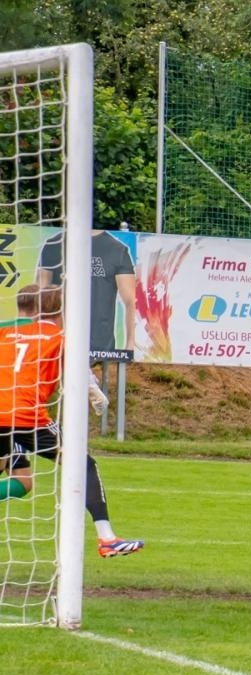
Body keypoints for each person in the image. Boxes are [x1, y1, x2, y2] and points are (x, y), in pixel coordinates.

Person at [0, 284, 142, 557]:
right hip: (27, 417)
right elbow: (81, 373)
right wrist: (95, 394)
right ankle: (107, 537)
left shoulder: (5, 330)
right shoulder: (59, 336)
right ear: (59, 311)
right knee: (83, 463)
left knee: (22, 480)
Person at [36, 229, 137, 359]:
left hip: (100, 346)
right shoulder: (54, 244)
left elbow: (131, 301)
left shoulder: (117, 249)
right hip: (58, 340)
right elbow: (39, 295)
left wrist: (130, 345)